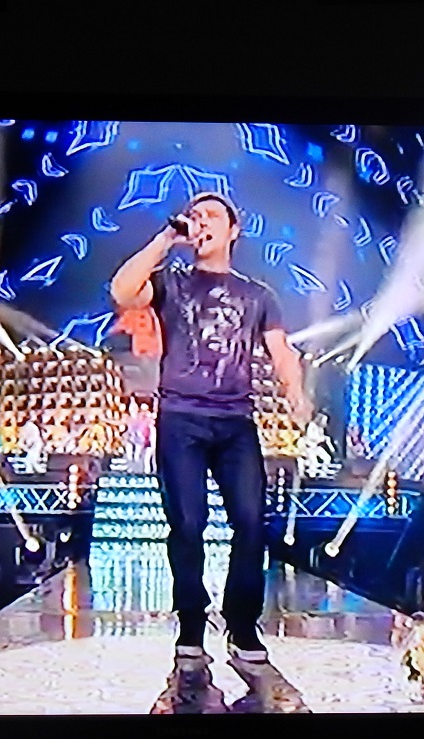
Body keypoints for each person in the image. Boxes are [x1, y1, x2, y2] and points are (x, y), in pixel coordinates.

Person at [110, 191, 311, 663]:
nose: (201, 222)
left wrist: (297, 394)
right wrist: (166, 239)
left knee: (251, 522)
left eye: (212, 216)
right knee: (187, 523)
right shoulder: (172, 283)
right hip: (181, 418)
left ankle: (242, 624)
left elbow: (281, 352)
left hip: (236, 421)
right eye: (195, 216)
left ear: (233, 230)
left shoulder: (258, 295)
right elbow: (122, 291)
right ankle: (191, 621)